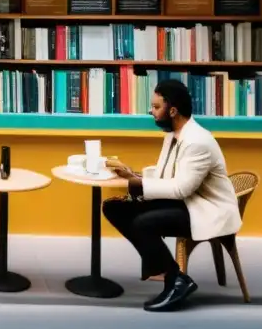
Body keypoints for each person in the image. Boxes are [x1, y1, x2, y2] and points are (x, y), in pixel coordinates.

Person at [104, 79, 242, 312]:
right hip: (187, 203)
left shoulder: (197, 141)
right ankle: (169, 272)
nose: (151, 111)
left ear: (173, 111)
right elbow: (166, 177)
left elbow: (181, 189)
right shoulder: (174, 135)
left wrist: (139, 184)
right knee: (114, 207)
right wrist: (132, 175)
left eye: (156, 107)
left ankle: (174, 279)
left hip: (205, 210)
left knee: (143, 223)